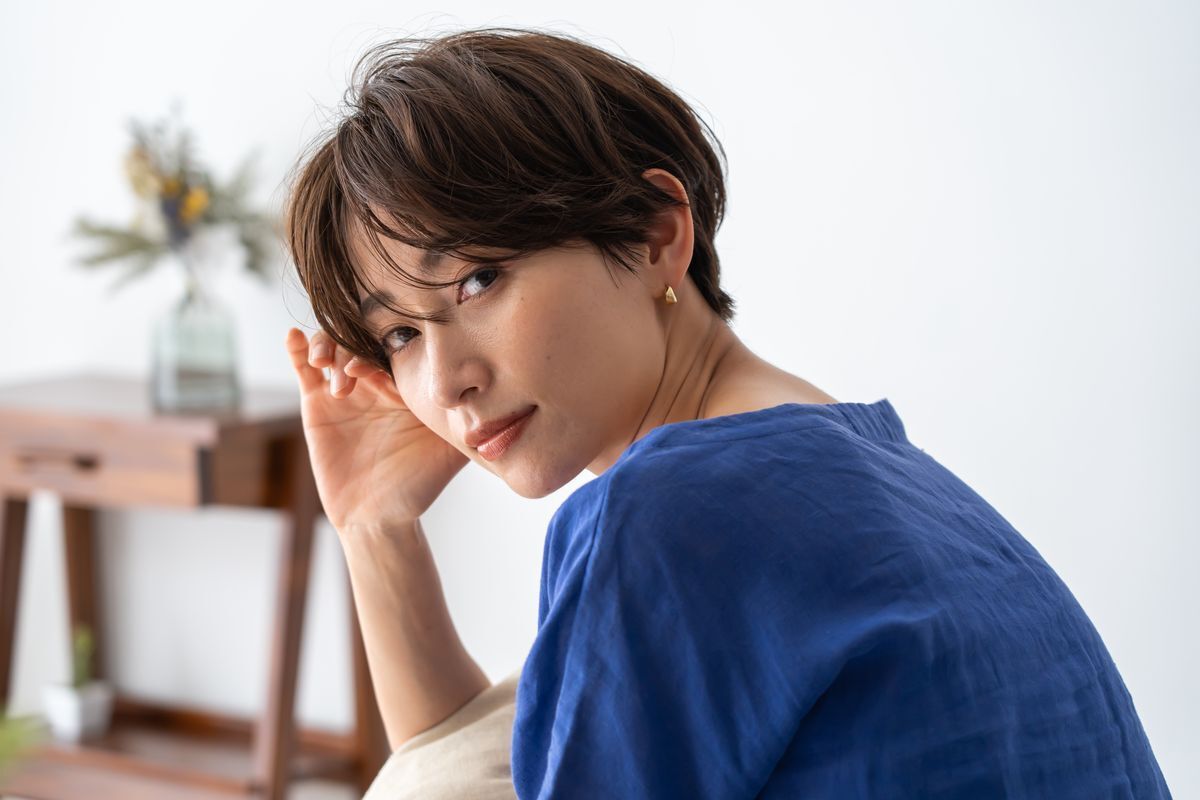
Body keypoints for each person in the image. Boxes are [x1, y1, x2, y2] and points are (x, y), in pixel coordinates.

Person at [281, 26, 1172, 799]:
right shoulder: (856, 465)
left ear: (657, 234)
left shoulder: (675, 513)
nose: (445, 381)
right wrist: (375, 525)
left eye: (479, 279)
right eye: (398, 334)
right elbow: (478, 770)